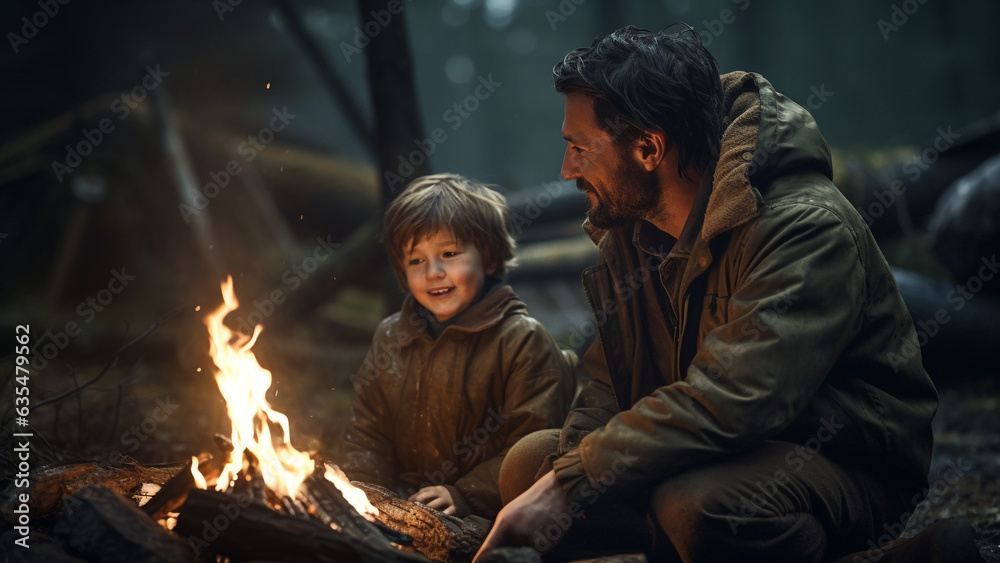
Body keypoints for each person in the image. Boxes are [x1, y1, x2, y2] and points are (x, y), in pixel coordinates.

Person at [473, 25, 976, 562]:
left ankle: (909, 557)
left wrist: (572, 486)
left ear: (648, 147)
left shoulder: (802, 228)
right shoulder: (633, 229)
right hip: (705, 450)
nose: (567, 169)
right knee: (531, 465)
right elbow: (608, 383)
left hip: (840, 462)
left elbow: (736, 401)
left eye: (579, 148)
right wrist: (569, 473)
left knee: (698, 507)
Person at [339, 173, 577, 520]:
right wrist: (364, 494)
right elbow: (366, 434)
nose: (433, 272)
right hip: (400, 507)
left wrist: (466, 494)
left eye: (449, 253)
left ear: (490, 259)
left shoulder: (522, 341)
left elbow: (534, 446)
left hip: (493, 515)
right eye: (415, 260)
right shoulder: (391, 336)